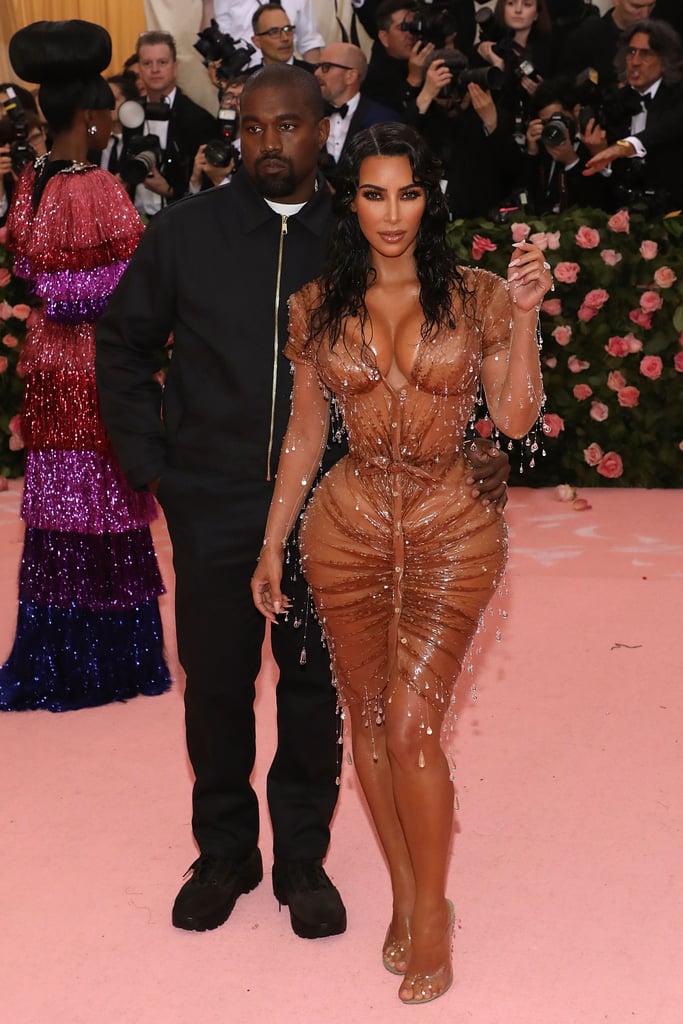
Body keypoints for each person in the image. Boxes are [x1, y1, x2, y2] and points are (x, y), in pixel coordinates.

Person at [95, 65, 511, 940]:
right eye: (249, 128)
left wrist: (477, 450)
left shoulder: (360, 230)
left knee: (319, 688)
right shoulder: (184, 234)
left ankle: (301, 857)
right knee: (214, 683)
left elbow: (449, 350)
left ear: (321, 130)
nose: (266, 144)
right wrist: (154, 469)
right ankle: (224, 852)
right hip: (209, 500)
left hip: (337, 511)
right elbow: (124, 346)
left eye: (286, 127)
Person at [251, 121, 550, 1003]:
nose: (392, 213)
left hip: (452, 529)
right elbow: (307, 434)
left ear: (432, 196)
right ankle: (410, 892)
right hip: (341, 529)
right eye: (374, 194)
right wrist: (271, 543)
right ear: (350, 199)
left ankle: (430, 916)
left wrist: (528, 321)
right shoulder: (317, 304)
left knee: (414, 722)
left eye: (408, 193)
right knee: (370, 723)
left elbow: (518, 417)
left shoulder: (482, 296)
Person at [0, 19, 170, 711]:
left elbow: (21, 261)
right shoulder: (92, 185)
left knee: (62, 514)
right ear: (94, 116)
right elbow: (92, 290)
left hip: (47, 370)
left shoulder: (34, 178)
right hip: (95, 375)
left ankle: (56, 660)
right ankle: (111, 664)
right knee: (103, 508)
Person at [583, 18, 683, 211]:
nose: (635, 62)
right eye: (631, 52)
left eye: (645, 54)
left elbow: (665, 129)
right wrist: (603, 159)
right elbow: (612, 178)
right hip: (626, 216)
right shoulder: (615, 100)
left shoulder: (677, 95)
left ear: (664, 61)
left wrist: (625, 146)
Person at [123, 31, 216, 215]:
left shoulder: (199, 119)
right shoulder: (131, 115)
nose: (155, 70)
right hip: (135, 224)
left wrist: (171, 192)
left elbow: (211, 187)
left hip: (182, 222)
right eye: (147, 63)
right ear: (139, 70)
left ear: (175, 67)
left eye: (162, 62)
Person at [200, 0, 325, 66]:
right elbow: (210, 41)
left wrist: (315, 84)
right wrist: (207, 3)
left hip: (290, 78)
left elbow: (309, 42)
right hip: (244, 81)